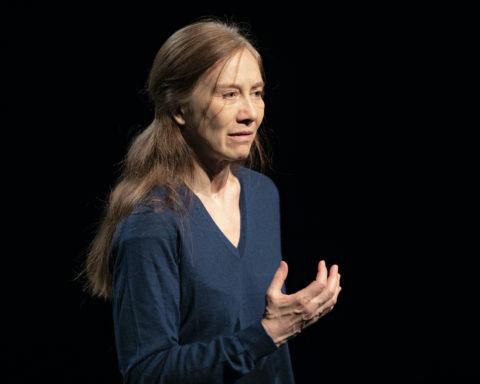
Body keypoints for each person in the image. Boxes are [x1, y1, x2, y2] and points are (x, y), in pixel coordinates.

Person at [82, 18, 342, 383]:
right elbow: (148, 372)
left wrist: (283, 323)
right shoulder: (152, 223)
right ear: (179, 108)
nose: (250, 113)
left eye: (257, 92)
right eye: (228, 94)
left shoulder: (262, 194)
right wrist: (268, 334)